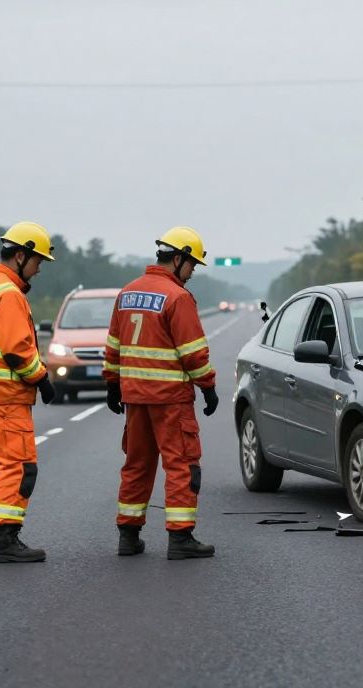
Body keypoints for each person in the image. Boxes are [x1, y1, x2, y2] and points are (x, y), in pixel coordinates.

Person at [103, 226, 219, 560]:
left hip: (135, 399)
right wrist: (208, 387)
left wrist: (112, 383)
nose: (192, 273)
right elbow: (193, 353)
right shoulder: (177, 297)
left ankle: (128, 535)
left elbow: (113, 345)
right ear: (179, 258)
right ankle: (180, 539)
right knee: (182, 465)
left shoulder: (126, 293)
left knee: (136, 465)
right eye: (192, 265)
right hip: (170, 401)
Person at [0, 221, 56, 562]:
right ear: (20, 255)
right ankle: (5, 539)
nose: (39, 269)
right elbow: (16, 350)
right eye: (37, 261)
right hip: (6, 394)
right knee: (18, 465)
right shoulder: (8, 293)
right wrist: (43, 379)